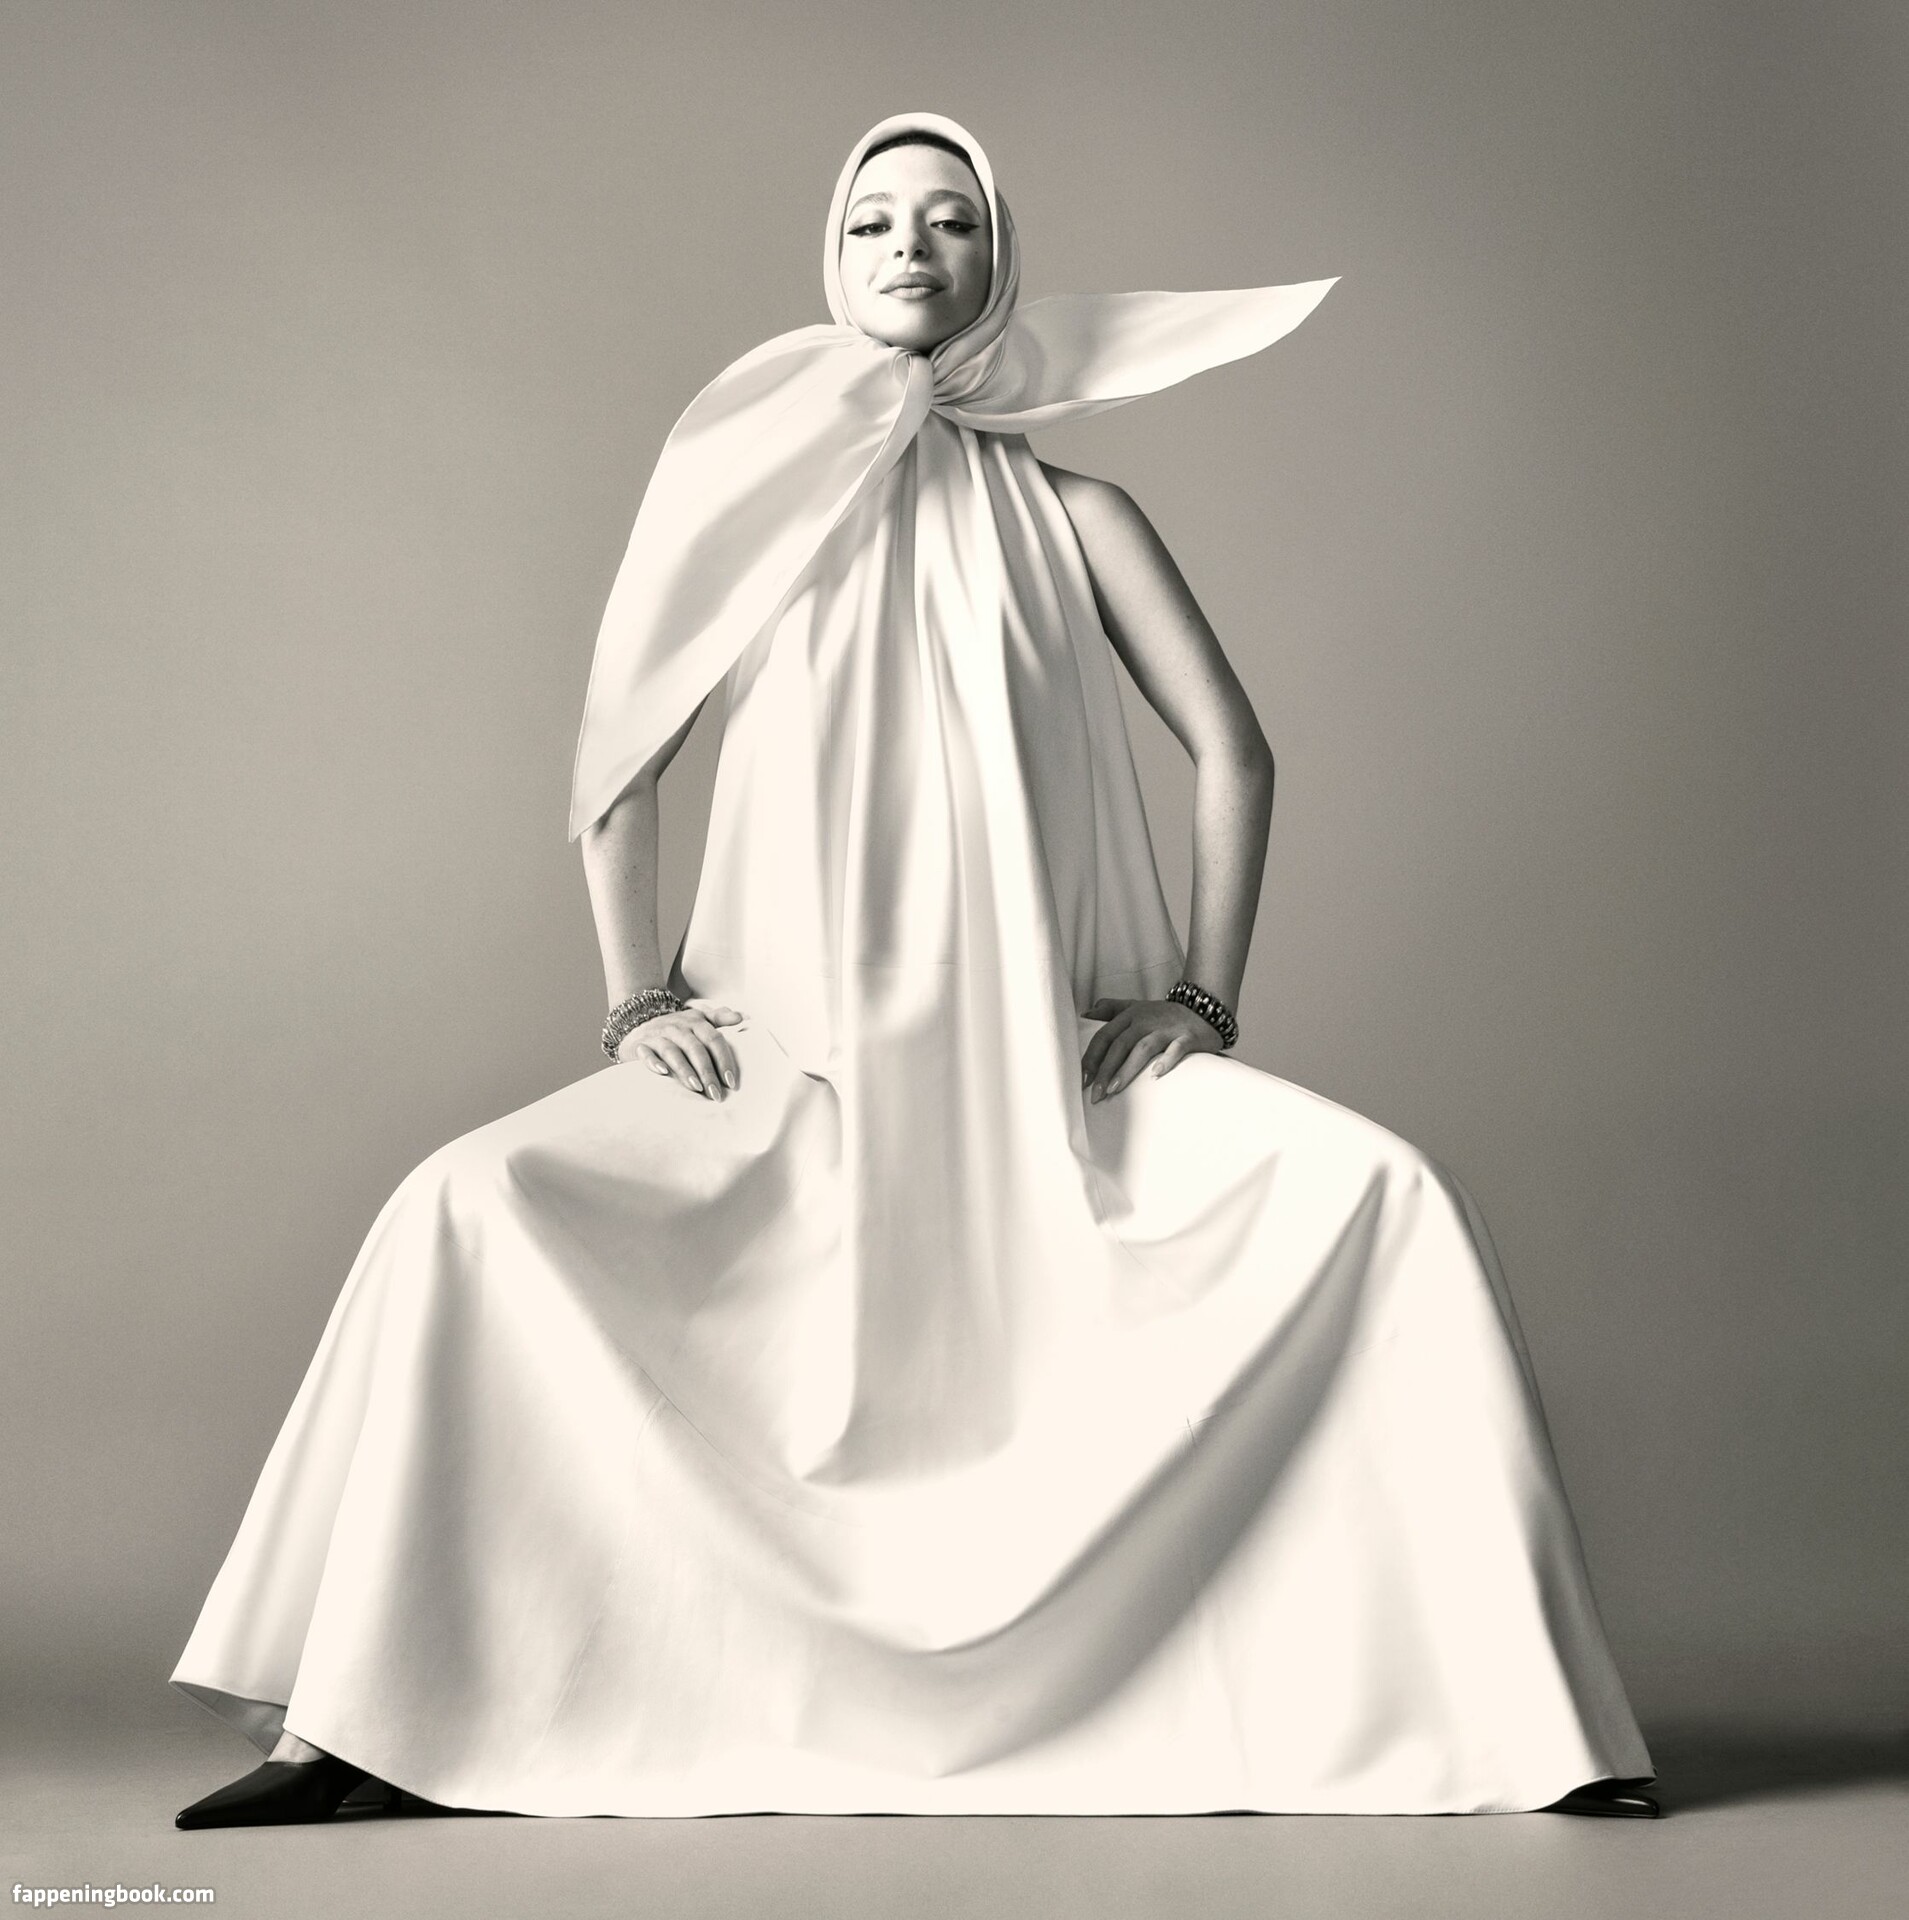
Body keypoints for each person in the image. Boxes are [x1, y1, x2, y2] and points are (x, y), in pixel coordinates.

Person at [173, 113, 1657, 1828]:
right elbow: (615, 764)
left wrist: (1198, 998)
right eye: (873, 219)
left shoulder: (1081, 516)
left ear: (994, 263)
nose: (907, 246)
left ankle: (1531, 1729)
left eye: (949, 221)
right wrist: (640, 1002)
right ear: (831, 254)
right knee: (464, 1205)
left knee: (1388, 1199)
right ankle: (354, 1728)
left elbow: (1235, 752)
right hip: (782, 1075)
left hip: (1042, 1079)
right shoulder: (747, 503)